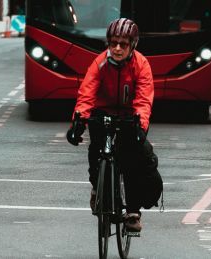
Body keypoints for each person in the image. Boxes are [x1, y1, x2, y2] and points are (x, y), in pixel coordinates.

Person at [66, 18, 162, 232]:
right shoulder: (99, 63)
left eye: (123, 44)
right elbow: (86, 94)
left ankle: (133, 212)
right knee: (95, 151)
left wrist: (141, 126)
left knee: (133, 159)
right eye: (113, 43)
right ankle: (96, 188)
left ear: (132, 45)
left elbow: (144, 99)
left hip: (130, 116)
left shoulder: (141, 65)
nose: (117, 48)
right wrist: (78, 122)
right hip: (103, 112)